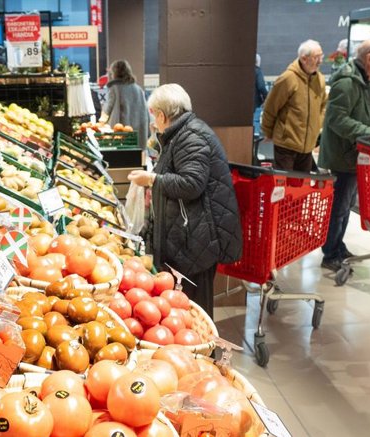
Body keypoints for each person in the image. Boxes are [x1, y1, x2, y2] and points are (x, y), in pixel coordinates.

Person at [127, 84, 242, 318]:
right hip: (192, 237)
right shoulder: (183, 132)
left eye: (154, 115)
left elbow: (191, 184)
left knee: (193, 310)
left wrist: (152, 179)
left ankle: (203, 352)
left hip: (197, 241)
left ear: (161, 115)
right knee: (184, 307)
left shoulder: (191, 137)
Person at [317, 38, 370, 272]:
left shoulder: (367, 82)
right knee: (338, 207)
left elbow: (364, 114)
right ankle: (330, 253)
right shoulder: (347, 83)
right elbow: (337, 119)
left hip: (356, 154)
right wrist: (369, 132)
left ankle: (337, 246)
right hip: (342, 155)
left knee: (346, 205)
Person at [261, 40, 327, 171]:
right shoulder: (288, 79)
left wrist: (317, 125)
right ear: (303, 58)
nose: (320, 61)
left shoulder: (320, 79)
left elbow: (323, 105)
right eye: (316, 57)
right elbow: (270, 107)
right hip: (286, 145)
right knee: (286, 188)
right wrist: (268, 132)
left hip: (308, 147)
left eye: (321, 56)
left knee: (302, 188)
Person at [99, 60, 149, 149]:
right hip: (137, 133)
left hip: (121, 133)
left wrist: (101, 122)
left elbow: (108, 109)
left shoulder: (115, 89)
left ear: (115, 73)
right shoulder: (138, 89)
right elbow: (145, 113)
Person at [253, 54, 268, 137]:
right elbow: (261, 86)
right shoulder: (257, 71)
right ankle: (255, 143)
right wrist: (267, 97)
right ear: (258, 62)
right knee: (255, 121)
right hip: (255, 102)